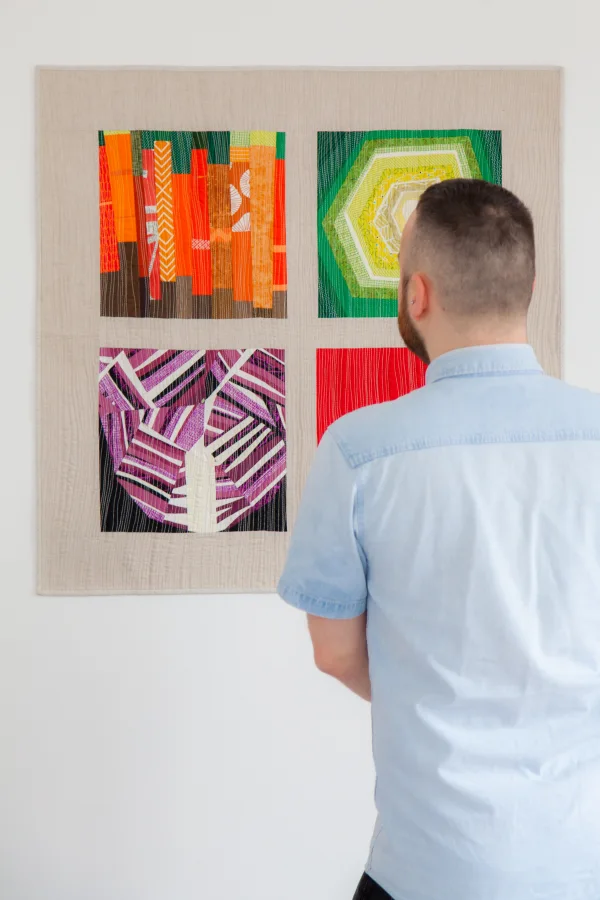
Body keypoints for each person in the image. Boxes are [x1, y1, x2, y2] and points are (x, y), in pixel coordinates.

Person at [277, 178, 600, 900]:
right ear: (531, 288)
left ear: (416, 295)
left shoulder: (359, 449)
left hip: (427, 870)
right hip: (583, 863)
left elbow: (334, 653)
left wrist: (440, 690)